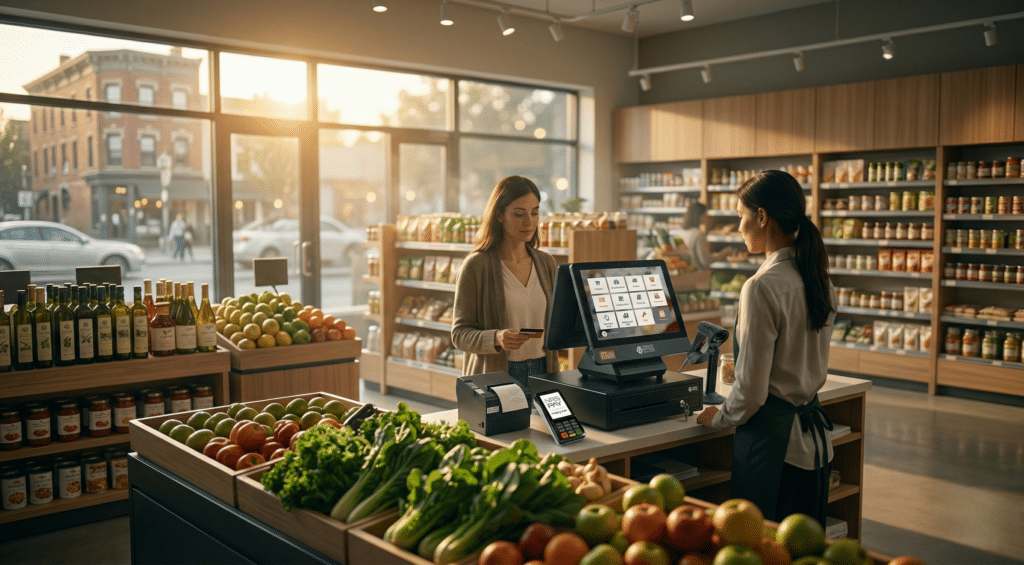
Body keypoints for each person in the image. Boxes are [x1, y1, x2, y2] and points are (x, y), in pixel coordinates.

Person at [696, 169, 837, 526]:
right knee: (801, 547)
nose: (739, 225)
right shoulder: (817, 276)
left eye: (741, 216)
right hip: (814, 442)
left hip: (774, 447)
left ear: (761, 217)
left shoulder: (762, 286)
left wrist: (721, 417)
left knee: (759, 545)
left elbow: (752, 390)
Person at [452, 175, 558, 396]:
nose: (529, 222)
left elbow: (556, 325)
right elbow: (460, 334)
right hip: (498, 376)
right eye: (518, 214)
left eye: (535, 212)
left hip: (543, 371)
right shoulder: (476, 266)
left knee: (544, 432)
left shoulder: (546, 263)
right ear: (499, 215)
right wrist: (497, 337)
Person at [679, 201, 732, 270]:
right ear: (700, 215)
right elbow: (705, 261)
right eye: (705, 214)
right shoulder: (698, 234)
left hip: (686, 272)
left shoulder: (682, 231)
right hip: (698, 275)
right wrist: (723, 254)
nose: (707, 217)